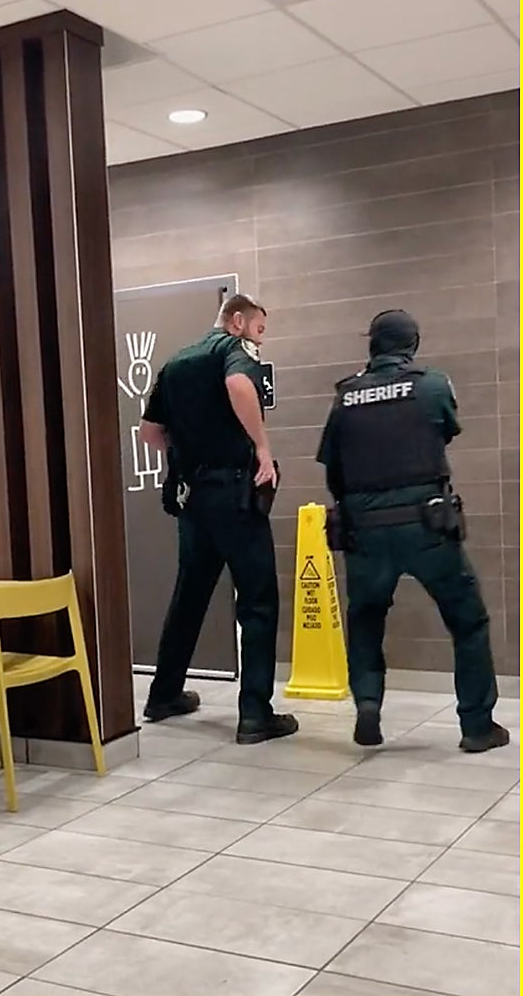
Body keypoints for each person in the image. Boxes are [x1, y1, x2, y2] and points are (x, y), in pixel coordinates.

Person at [316, 309, 506, 754]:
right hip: (428, 526)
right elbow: (446, 431)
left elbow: (332, 465)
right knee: (468, 621)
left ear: (372, 344)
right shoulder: (432, 385)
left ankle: (367, 704)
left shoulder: (345, 396)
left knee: (366, 618)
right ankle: (477, 726)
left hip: (365, 529)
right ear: (413, 344)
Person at [137, 292, 298, 745]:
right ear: (238, 321)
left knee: (189, 595)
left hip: (193, 498)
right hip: (232, 492)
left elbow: (149, 432)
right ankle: (254, 716)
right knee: (258, 600)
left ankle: (163, 695)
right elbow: (239, 387)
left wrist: (187, 455)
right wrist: (262, 449)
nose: (261, 340)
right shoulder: (232, 350)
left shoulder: (175, 363)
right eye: (260, 330)